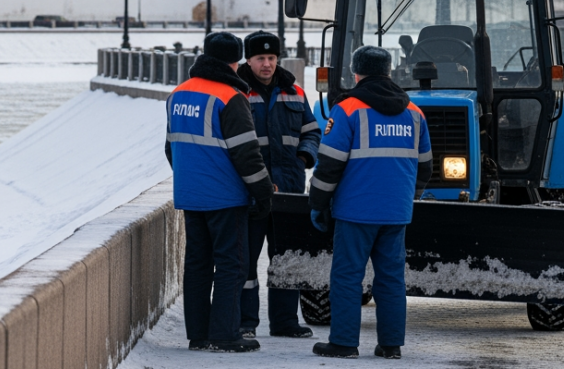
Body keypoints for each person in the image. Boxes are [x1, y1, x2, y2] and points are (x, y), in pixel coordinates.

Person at [308, 46, 432, 359]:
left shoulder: (347, 109)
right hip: (396, 211)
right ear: (389, 72)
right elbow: (426, 166)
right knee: (391, 278)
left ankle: (344, 343)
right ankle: (391, 345)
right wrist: (409, 198)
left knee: (347, 276)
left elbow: (329, 164)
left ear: (356, 73)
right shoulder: (414, 112)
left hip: (356, 211)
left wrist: (318, 203)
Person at [166, 31, 274, 353]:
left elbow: (171, 148)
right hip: (225, 197)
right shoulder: (230, 97)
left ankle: (199, 335)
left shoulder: (178, 94)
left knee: (198, 265)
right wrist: (263, 193)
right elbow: (247, 155)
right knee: (232, 265)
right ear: (236, 62)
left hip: (190, 195)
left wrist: (191, 179)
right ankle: (225, 335)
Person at [236, 31, 319, 340]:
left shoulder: (295, 92)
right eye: (261, 58)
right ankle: (245, 323)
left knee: (288, 259)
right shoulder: (237, 93)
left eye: (272, 58)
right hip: (250, 192)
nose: (267, 64)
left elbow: (312, 131)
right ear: (248, 60)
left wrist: (304, 157)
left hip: (289, 190)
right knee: (245, 262)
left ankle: (284, 322)